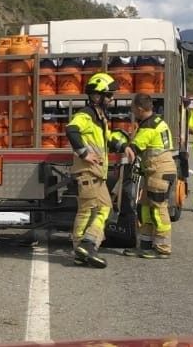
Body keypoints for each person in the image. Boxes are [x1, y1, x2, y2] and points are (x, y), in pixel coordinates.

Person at [67, 72, 130, 268]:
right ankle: (83, 246)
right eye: (109, 95)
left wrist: (123, 146)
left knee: (105, 208)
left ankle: (86, 246)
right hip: (88, 172)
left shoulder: (99, 117)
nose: (112, 99)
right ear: (97, 95)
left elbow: (108, 138)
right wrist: (84, 153)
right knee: (87, 211)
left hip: (97, 174)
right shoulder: (85, 115)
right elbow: (71, 130)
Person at [124, 93, 176, 258]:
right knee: (145, 208)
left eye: (133, 108)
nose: (132, 111)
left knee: (158, 209)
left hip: (158, 171)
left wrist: (119, 144)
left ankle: (162, 247)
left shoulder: (149, 127)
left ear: (139, 109)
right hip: (156, 170)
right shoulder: (157, 121)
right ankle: (145, 245)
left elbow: (134, 148)